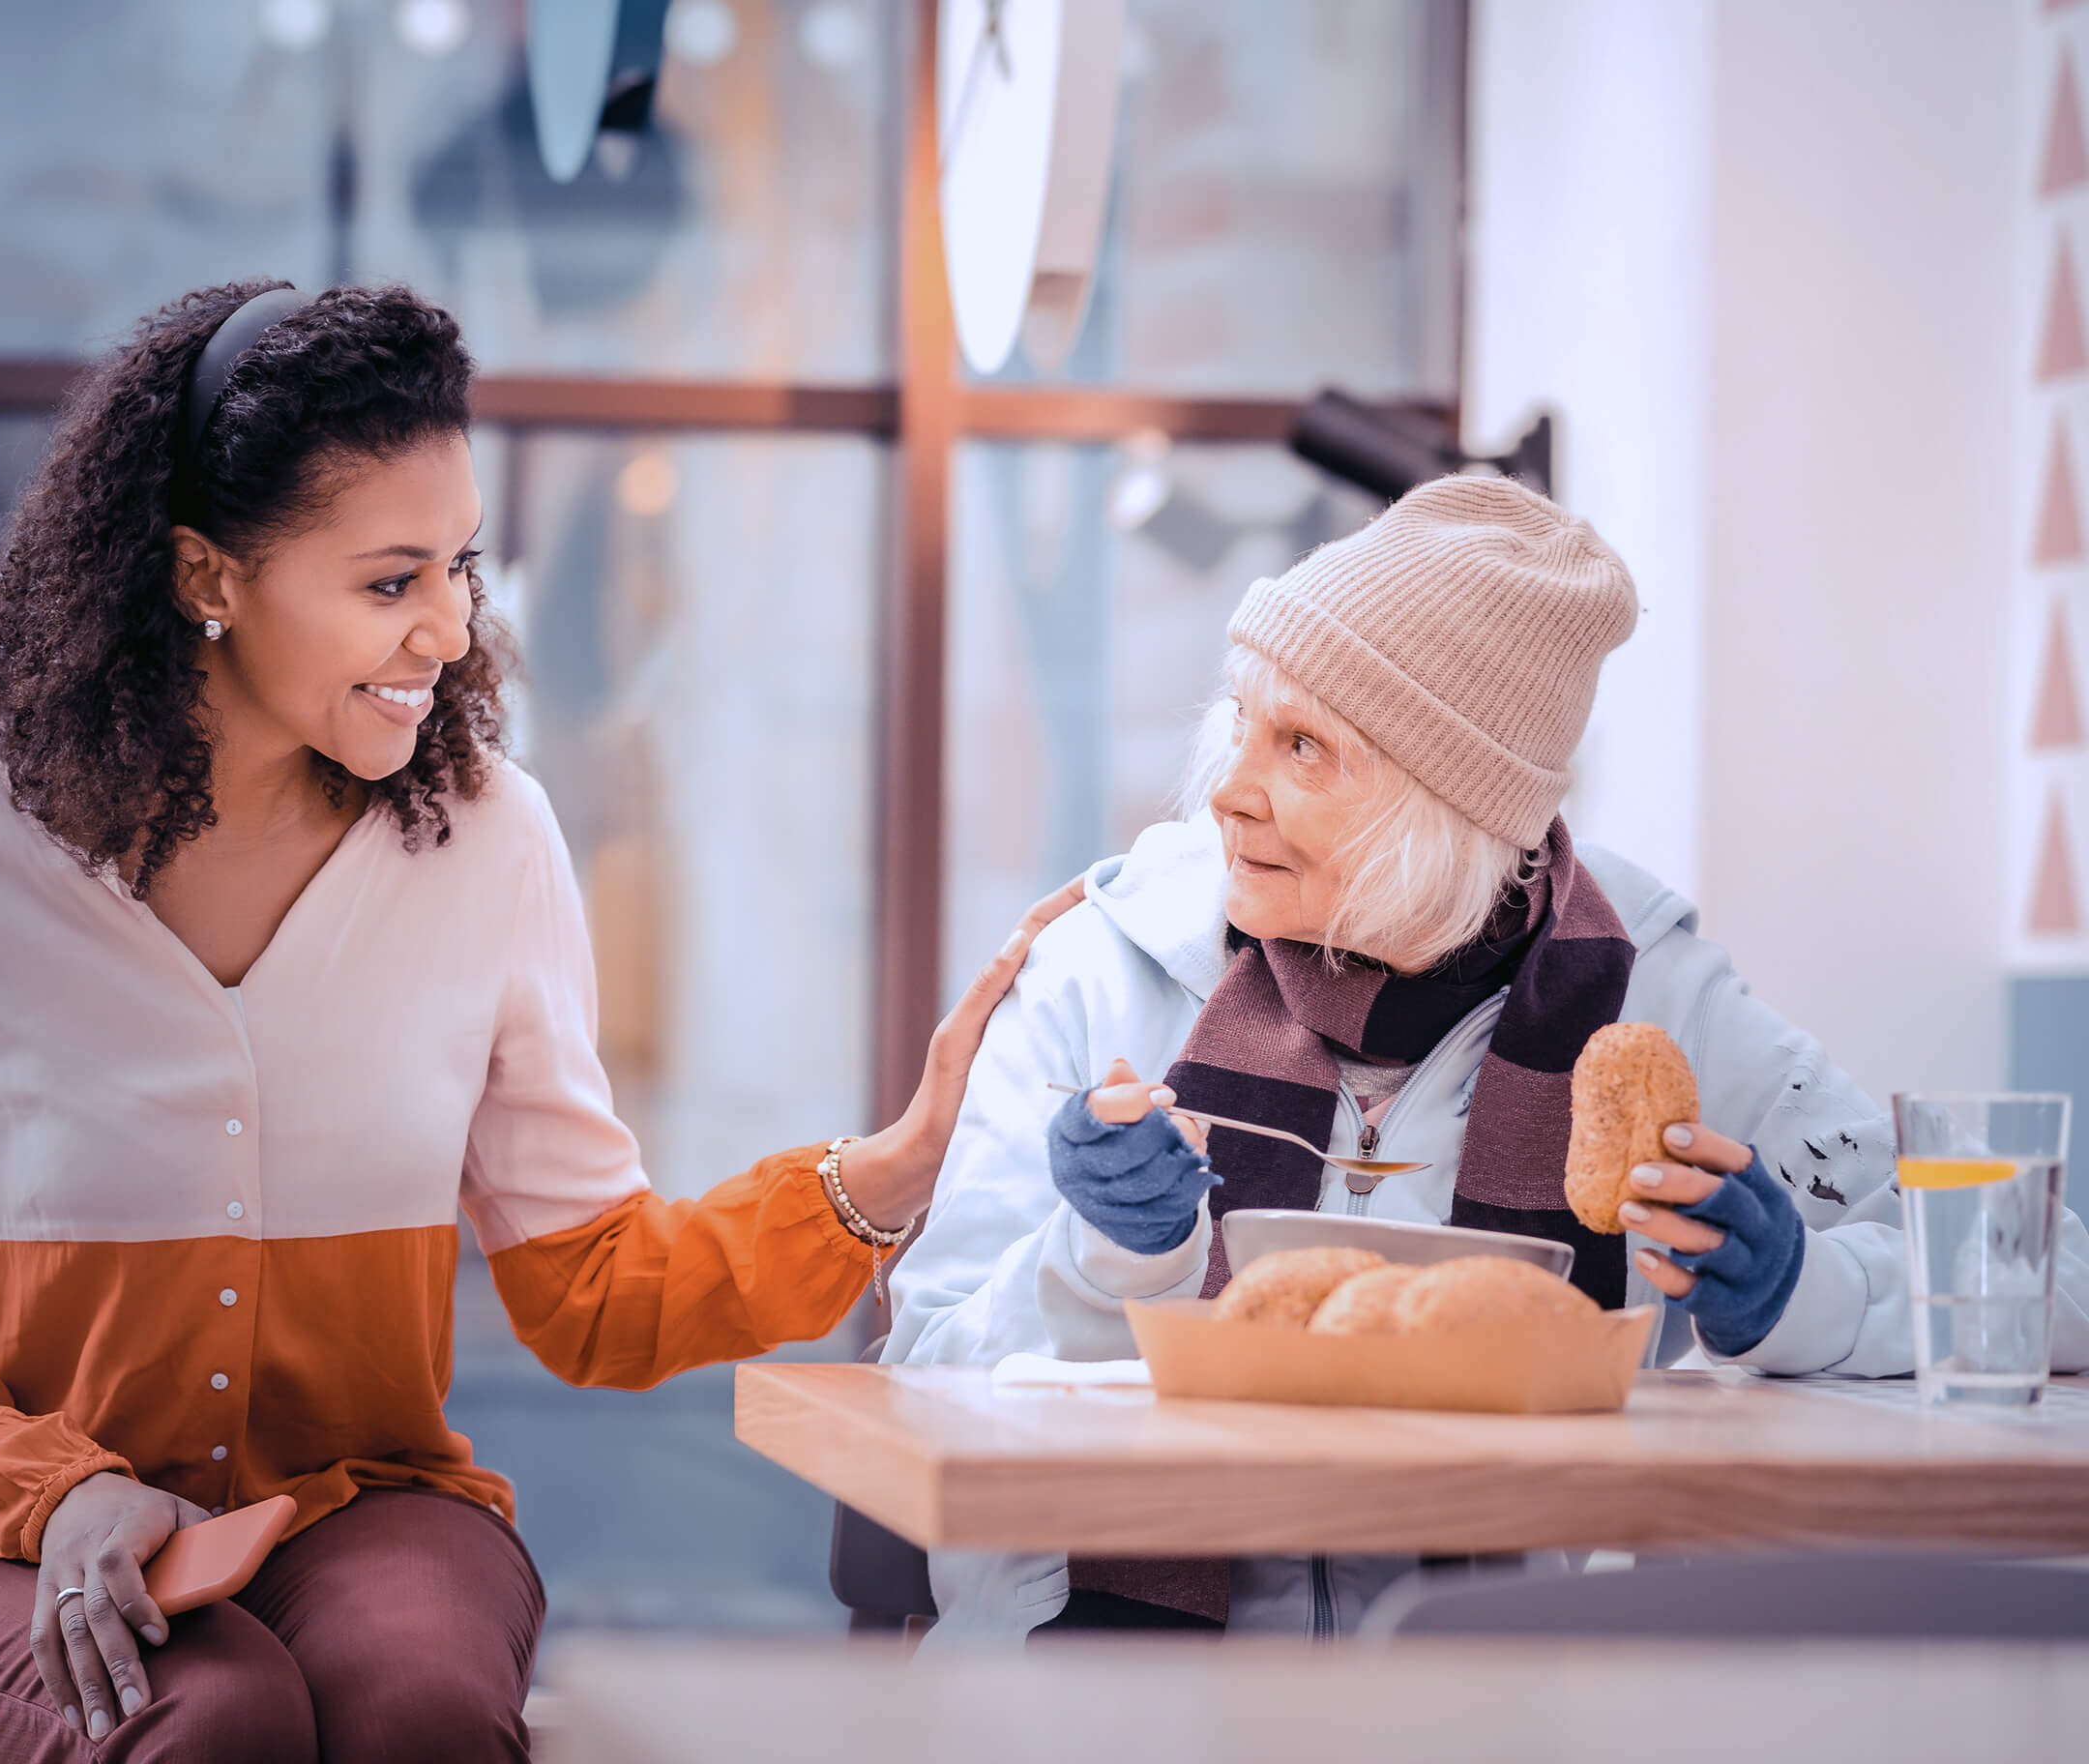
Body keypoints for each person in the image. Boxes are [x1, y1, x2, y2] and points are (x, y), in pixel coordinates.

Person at [0, 281, 1080, 1763]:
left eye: (461, 568)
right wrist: (56, 1495)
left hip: (361, 1504)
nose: (447, 629)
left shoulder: (490, 842)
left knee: (423, 1708)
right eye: (390, 584)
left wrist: (886, 1176)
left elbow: (592, 1293)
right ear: (209, 575)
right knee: (211, 1717)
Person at [882, 473, 2089, 1642]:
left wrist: (1801, 1297)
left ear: (1451, 813)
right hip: (1088, 1700)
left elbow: (2043, 1278)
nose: (1231, 794)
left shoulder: (1648, 992)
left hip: (1495, 1692)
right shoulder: (1098, 969)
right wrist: (1102, 1264)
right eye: (1242, 724)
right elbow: (918, 1381)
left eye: (1305, 747)